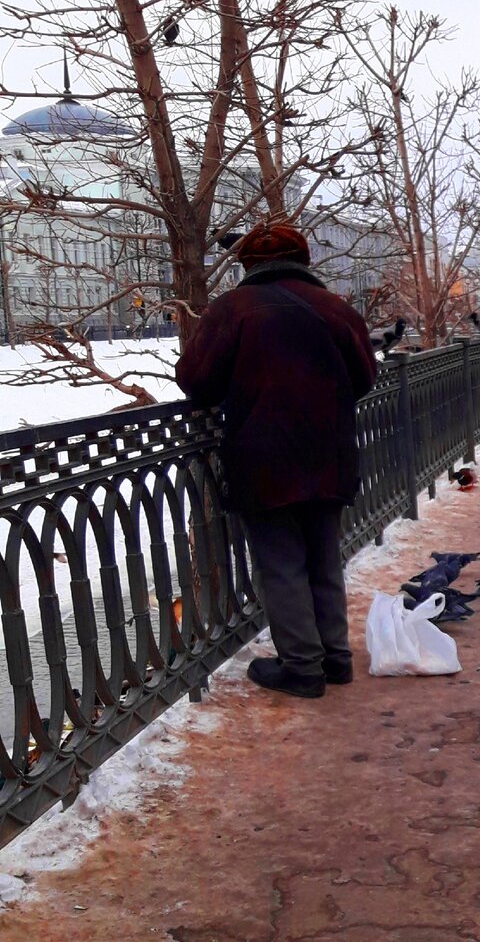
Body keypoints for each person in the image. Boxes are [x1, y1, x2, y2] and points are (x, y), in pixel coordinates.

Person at [176, 222, 376, 698]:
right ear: (302, 260)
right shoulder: (337, 309)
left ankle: (303, 668)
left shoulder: (232, 309)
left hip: (263, 459)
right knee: (325, 558)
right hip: (331, 455)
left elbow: (196, 381)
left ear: (247, 265)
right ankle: (335, 660)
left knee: (282, 563)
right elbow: (365, 377)